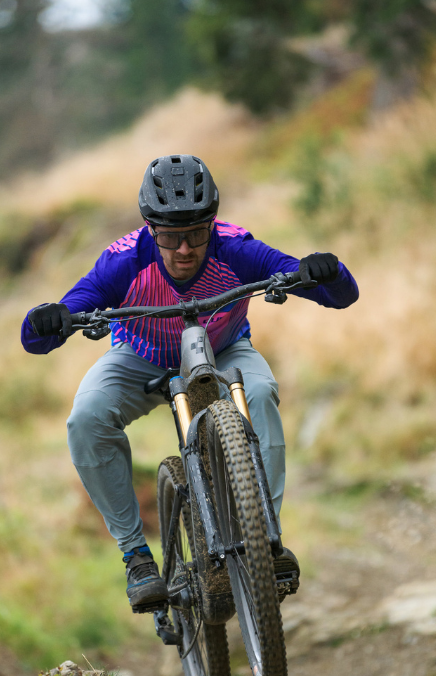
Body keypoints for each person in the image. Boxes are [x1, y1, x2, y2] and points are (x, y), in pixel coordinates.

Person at [21, 154, 358, 636]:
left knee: (258, 392)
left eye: (197, 233)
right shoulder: (123, 260)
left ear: (212, 224)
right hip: (140, 359)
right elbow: (45, 330)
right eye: (169, 235)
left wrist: (327, 270)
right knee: (86, 417)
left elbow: (337, 293)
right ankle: (136, 555)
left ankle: (265, 538)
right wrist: (48, 318)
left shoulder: (236, 248)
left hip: (223, 352)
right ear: (149, 228)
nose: (184, 248)